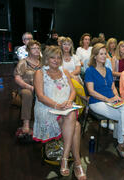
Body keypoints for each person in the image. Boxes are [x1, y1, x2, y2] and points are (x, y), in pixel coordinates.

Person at [33, 46, 86, 179]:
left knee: (72, 115)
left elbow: (73, 91)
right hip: (47, 108)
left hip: (65, 108)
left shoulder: (65, 72)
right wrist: (57, 105)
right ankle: (76, 162)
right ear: (46, 58)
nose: (56, 60)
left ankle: (65, 159)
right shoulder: (40, 73)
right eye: (52, 57)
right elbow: (40, 96)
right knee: (76, 125)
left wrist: (69, 101)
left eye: (58, 57)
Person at [85, 43, 124, 158]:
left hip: (112, 99)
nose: (104, 56)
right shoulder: (90, 70)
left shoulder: (108, 70)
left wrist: (117, 97)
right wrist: (107, 99)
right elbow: (91, 91)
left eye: (105, 54)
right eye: (101, 54)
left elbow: (113, 87)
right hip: (97, 101)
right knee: (122, 116)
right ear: (95, 56)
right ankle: (121, 144)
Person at [14, 40, 42, 134]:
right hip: (25, 87)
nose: (37, 50)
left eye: (38, 48)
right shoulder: (23, 62)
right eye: (34, 48)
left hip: (40, 88)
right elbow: (17, 78)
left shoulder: (43, 63)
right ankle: (26, 123)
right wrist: (29, 87)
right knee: (28, 94)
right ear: (28, 50)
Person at [60, 37, 86, 114]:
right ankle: (85, 99)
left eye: (69, 44)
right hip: (63, 79)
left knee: (75, 81)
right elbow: (59, 70)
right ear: (61, 45)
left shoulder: (75, 57)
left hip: (75, 77)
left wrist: (71, 75)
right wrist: (70, 76)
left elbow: (78, 70)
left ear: (71, 46)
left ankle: (77, 109)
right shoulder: (58, 57)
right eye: (64, 44)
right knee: (73, 82)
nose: (66, 46)